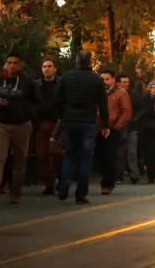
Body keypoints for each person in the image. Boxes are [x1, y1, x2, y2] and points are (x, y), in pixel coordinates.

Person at [55, 50, 109, 204]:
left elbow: (58, 99)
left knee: (70, 153)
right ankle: (81, 193)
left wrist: (63, 115)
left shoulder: (67, 77)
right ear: (90, 62)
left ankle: (65, 179)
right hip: (88, 121)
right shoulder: (96, 80)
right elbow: (103, 105)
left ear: (76, 61)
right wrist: (105, 124)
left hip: (70, 120)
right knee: (86, 157)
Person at [0, 52, 41, 206]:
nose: (12, 66)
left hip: (21, 125)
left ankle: (15, 194)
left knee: (20, 161)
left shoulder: (28, 83)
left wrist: (26, 111)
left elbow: (37, 102)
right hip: (2, 125)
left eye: (15, 63)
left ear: (20, 65)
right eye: (9, 62)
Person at [98, 70, 131, 194]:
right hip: (98, 128)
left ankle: (107, 183)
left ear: (112, 80)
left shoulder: (121, 93)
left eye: (107, 79)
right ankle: (106, 179)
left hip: (112, 129)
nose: (104, 82)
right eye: (102, 79)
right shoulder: (97, 92)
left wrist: (117, 126)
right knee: (101, 156)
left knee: (109, 156)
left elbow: (126, 112)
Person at [34, 57, 62, 195]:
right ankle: (49, 183)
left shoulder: (62, 84)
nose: (47, 69)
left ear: (55, 68)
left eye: (50, 66)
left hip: (58, 123)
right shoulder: (36, 85)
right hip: (41, 123)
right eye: (45, 66)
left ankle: (61, 180)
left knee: (57, 153)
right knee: (42, 154)